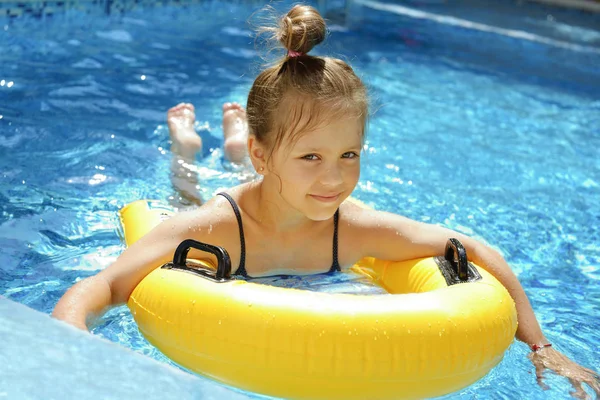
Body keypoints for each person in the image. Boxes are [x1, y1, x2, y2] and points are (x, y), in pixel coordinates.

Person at [52, 4, 599, 398]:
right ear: (270, 159)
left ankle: (243, 144)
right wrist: (75, 353)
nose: (335, 180)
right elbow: (99, 286)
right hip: (242, 201)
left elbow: (475, 249)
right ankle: (194, 148)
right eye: (313, 158)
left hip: (271, 176)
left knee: (276, 175)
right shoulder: (215, 227)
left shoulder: (353, 227)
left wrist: (540, 347)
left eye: (349, 155)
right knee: (184, 190)